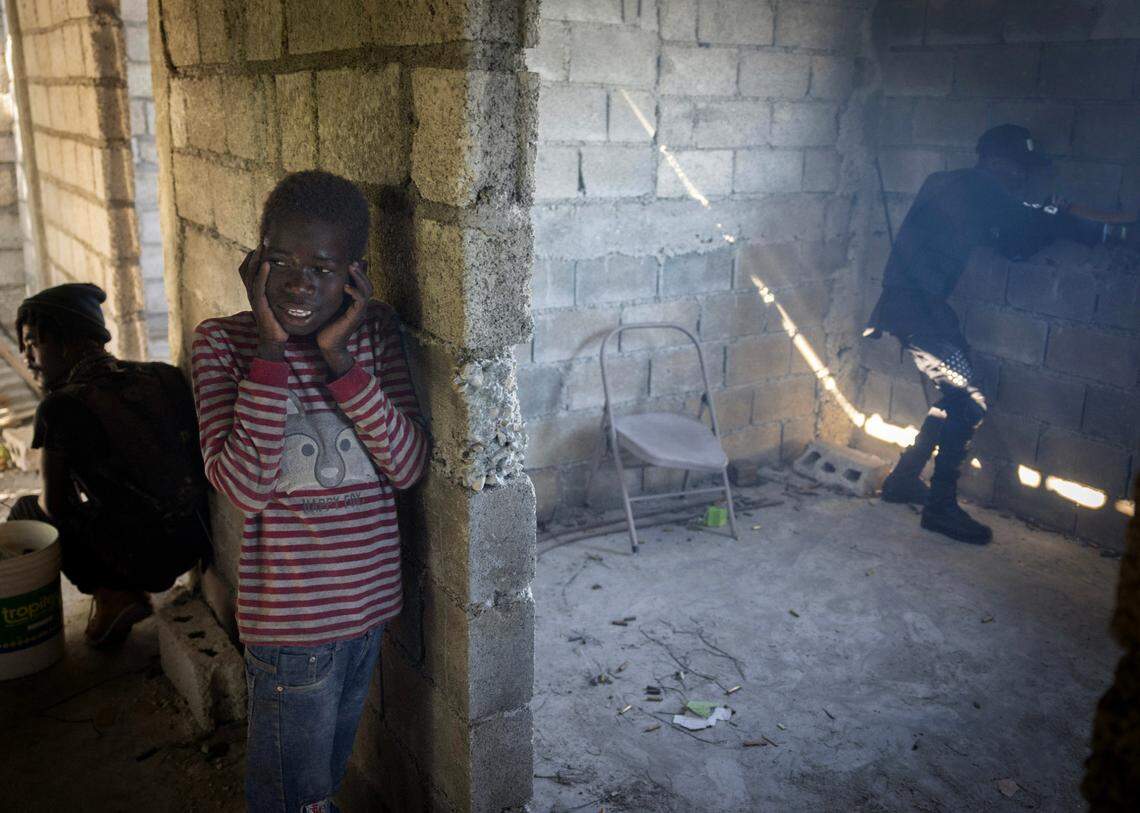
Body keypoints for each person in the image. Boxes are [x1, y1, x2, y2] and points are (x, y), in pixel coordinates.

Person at [190, 170, 429, 812]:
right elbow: (245, 485)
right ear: (254, 260)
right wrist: (271, 351)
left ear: (354, 273)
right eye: (281, 261)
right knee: (294, 798)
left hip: (368, 613)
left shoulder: (372, 336)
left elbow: (406, 468)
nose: (299, 283)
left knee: (320, 783)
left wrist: (340, 361)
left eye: (323, 268)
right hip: (292, 627)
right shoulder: (224, 344)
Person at [867, 124, 1111, 545]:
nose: (1022, 177)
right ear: (996, 160)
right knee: (971, 400)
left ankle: (904, 480)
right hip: (919, 307)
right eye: (1019, 167)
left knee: (956, 397)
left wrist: (1037, 214)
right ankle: (940, 508)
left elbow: (1008, 234)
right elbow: (1020, 239)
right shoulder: (983, 191)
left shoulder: (945, 182)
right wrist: (1077, 223)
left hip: (910, 304)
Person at [9, 283, 209, 646]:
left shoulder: (60, 407)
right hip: (193, 545)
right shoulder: (161, 374)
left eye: (32, 343)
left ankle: (112, 595)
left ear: (66, 343)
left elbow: (53, 506)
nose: (27, 357)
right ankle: (116, 593)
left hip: (140, 560)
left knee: (27, 509)